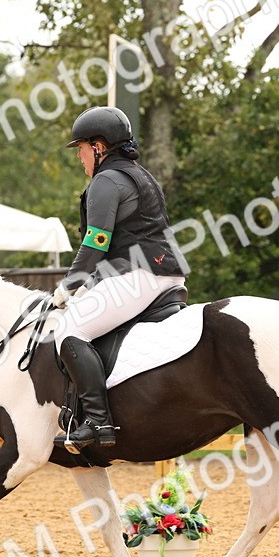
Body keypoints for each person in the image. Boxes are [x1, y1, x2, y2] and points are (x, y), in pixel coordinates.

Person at [51, 106, 188, 449]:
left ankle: (98, 422)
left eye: (81, 148)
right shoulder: (140, 175)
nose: (80, 157)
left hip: (137, 277)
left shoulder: (106, 181)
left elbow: (97, 240)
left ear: (98, 146)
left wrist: (69, 286)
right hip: (165, 276)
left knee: (68, 330)